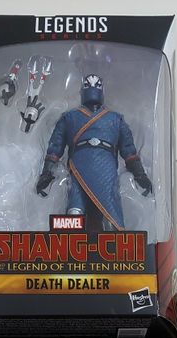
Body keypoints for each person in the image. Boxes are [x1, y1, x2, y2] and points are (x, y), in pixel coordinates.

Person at [36, 74, 152, 231]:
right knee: (75, 211)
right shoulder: (69, 117)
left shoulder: (115, 118)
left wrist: (140, 174)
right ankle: (72, 240)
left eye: (96, 86)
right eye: (88, 86)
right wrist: (46, 173)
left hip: (106, 168)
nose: (92, 90)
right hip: (79, 166)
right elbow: (55, 147)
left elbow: (129, 150)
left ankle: (113, 238)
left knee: (109, 211)